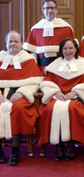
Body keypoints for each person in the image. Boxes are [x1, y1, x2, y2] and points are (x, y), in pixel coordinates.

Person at [36, 37, 84, 162]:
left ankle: (71, 145)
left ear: (76, 49)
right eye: (65, 48)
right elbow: (47, 82)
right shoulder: (54, 66)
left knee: (73, 108)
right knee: (49, 108)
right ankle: (58, 145)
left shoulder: (83, 65)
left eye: (71, 48)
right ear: (61, 50)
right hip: (57, 97)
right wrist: (56, 92)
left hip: (77, 98)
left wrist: (75, 92)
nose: (68, 51)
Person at [0, 30, 43, 166]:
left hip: (21, 94)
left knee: (18, 109)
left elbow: (35, 82)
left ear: (22, 43)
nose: (13, 44)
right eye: (10, 41)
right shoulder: (0, 58)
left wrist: (23, 92)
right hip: (2, 94)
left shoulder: (28, 59)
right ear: (6, 44)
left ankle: (15, 150)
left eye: (16, 41)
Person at [23, 0, 77, 74]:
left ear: (56, 10)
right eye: (47, 8)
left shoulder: (66, 28)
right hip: (41, 69)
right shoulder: (35, 29)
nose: (50, 11)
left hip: (61, 68)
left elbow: (73, 51)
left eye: (52, 8)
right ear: (43, 11)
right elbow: (31, 52)